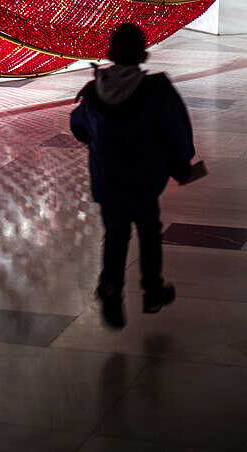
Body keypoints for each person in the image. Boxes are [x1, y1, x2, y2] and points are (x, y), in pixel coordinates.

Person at [70, 22, 196, 329]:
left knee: (116, 233)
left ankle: (110, 286)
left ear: (112, 52)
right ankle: (153, 290)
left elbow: (79, 126)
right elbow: (175, 132)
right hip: (143, 180)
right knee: (149, 231)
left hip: (108, 180)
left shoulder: (94, 89)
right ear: (142, 54)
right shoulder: (156, 90)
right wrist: (181, 166)